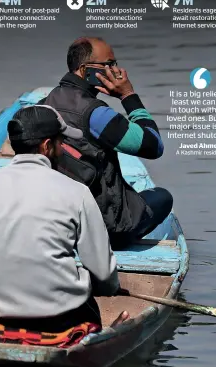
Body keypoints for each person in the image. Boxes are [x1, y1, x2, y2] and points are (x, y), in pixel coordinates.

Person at [0, 104, 128, 334]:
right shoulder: (76, 193)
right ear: (47, 146)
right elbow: (105, 276)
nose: (63, 148)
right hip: (64, 321)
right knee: (88, 301)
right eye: (61, 142)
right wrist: (107, 287)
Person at [41, 36, 171, 249]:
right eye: (109, 65)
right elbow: (153, 145)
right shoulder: (95, 113)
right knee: (162, 197)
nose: (116, 71)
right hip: (104, 230)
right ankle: (122, 240)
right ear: (85, 70)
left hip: (58, 224)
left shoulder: (45, 103)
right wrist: (128, 95)